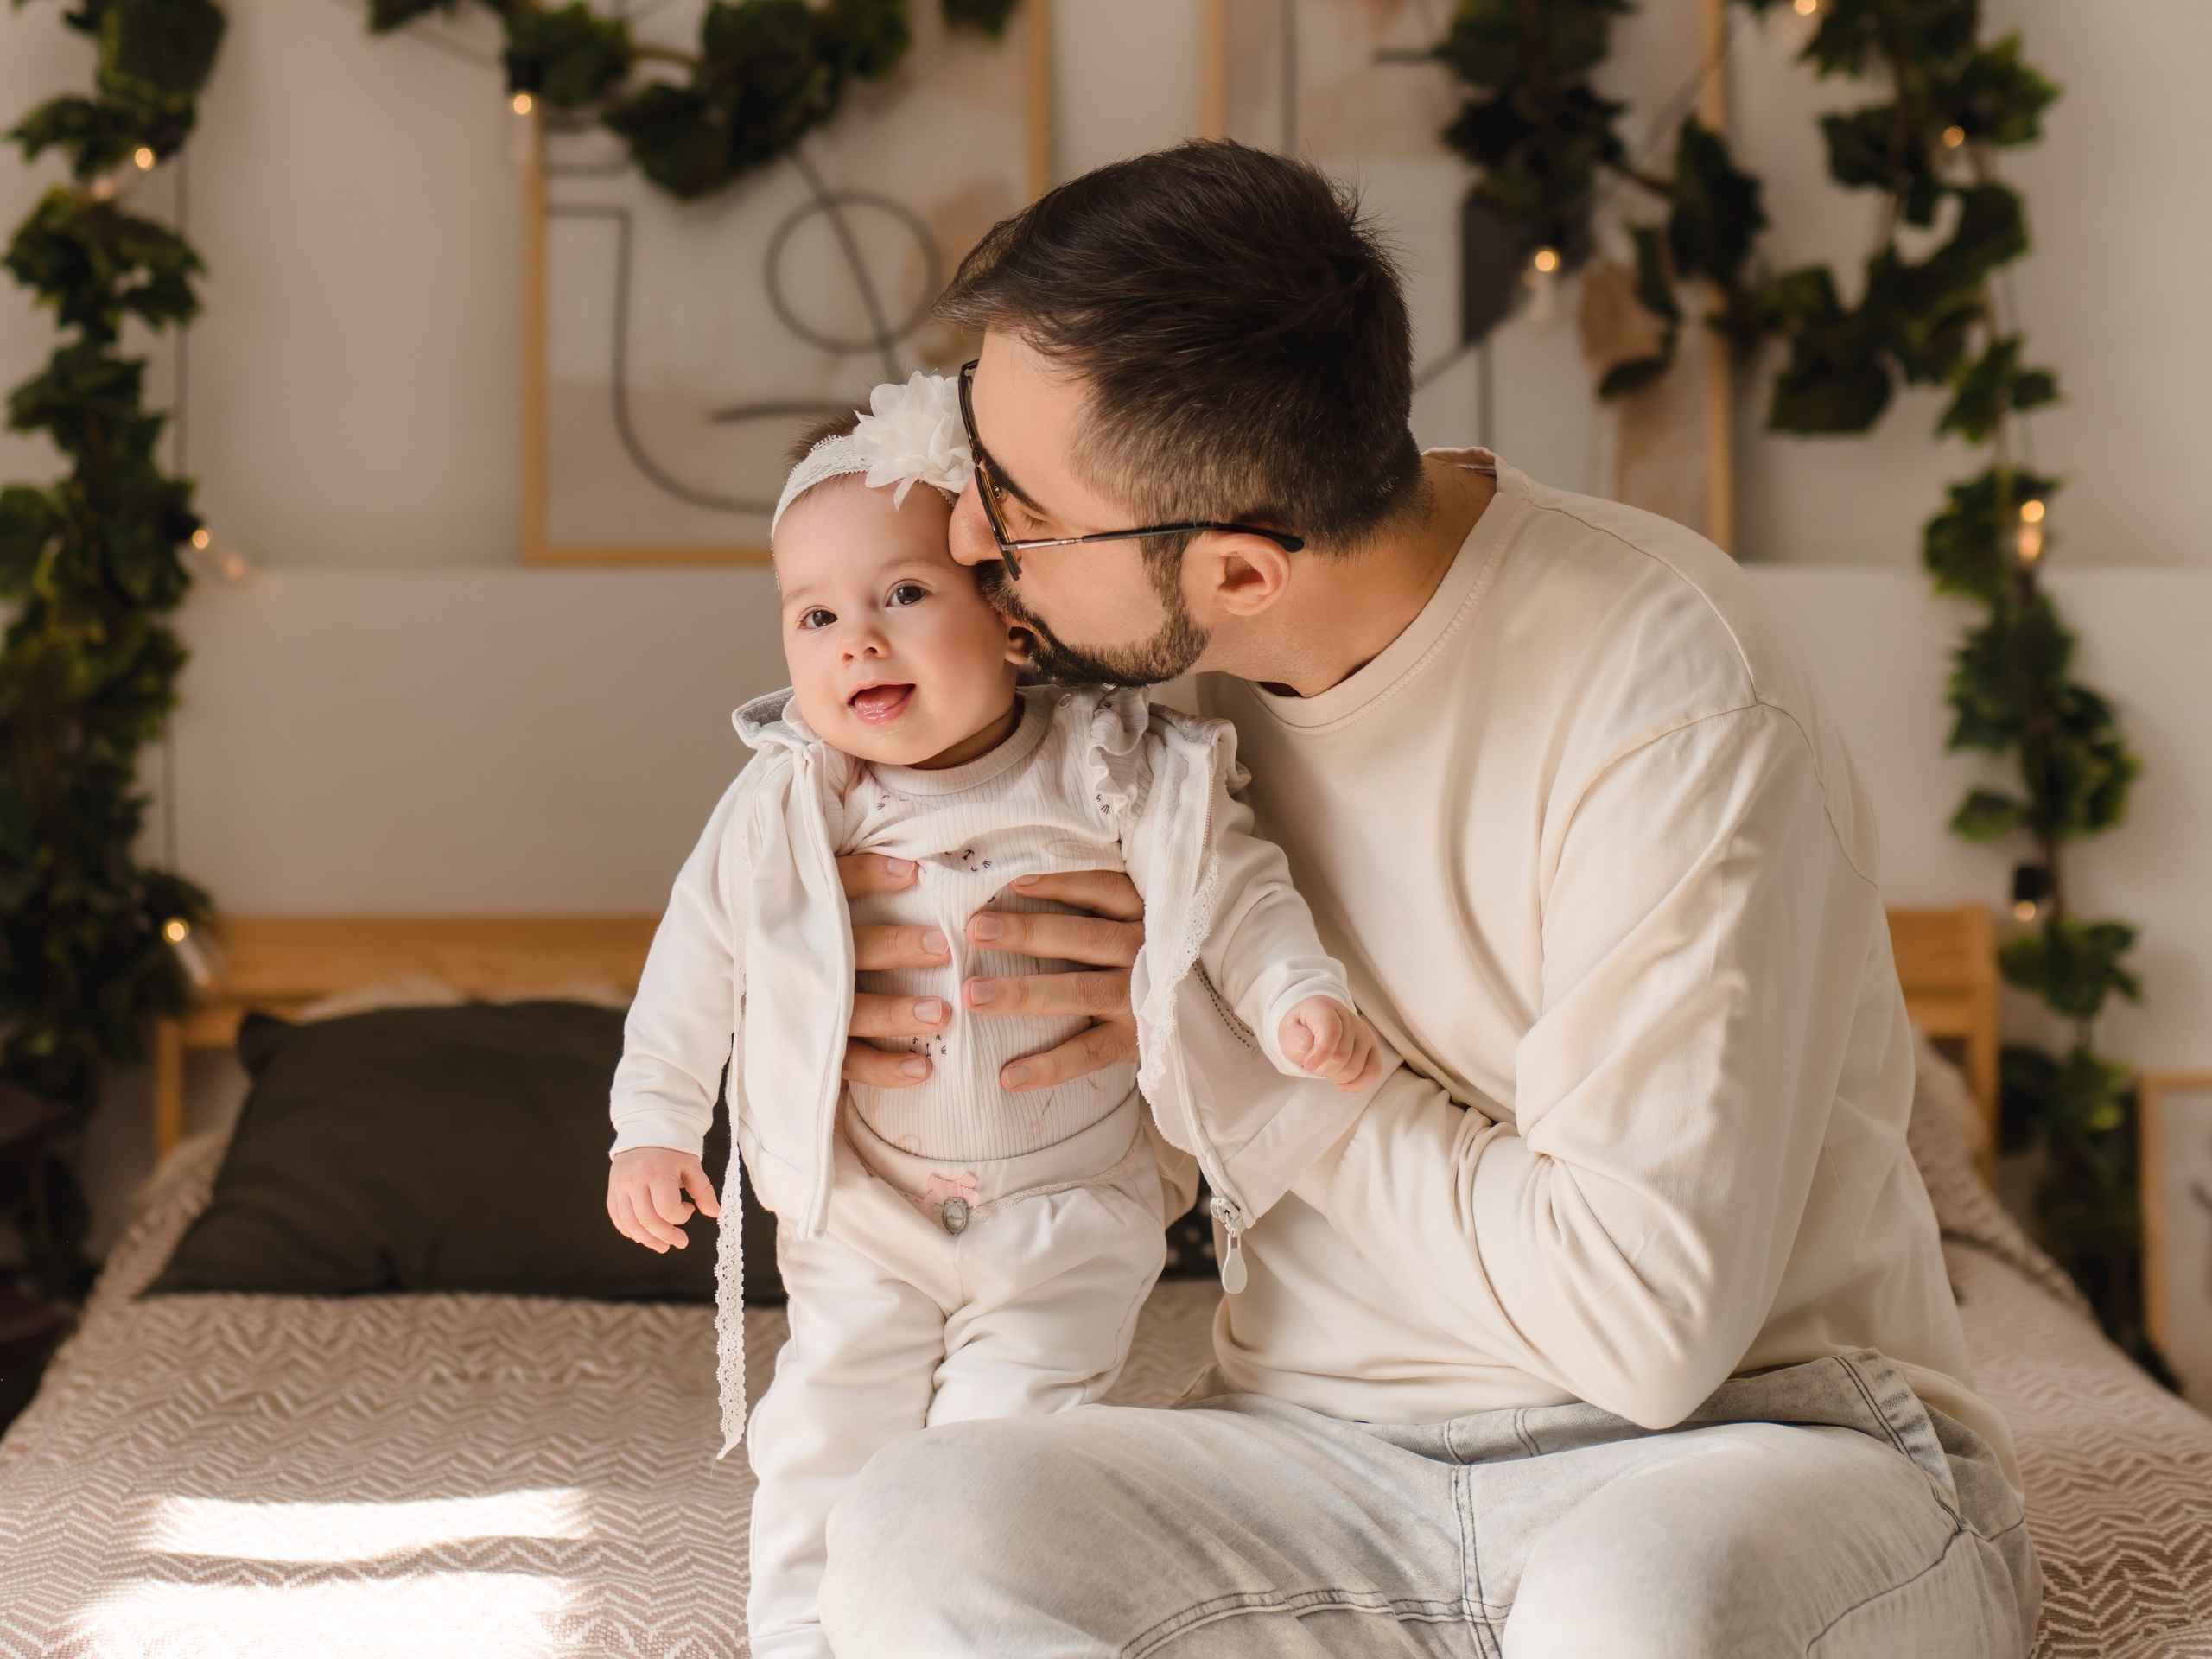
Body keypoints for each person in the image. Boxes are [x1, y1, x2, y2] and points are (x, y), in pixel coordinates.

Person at [814, 142, 2043, 1657]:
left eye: (1017, 509)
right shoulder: (1131, 713)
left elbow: (1645, 1336)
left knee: (1644, 1610)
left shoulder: (1669, 695)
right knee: (915, 1530)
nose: (962, 539)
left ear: (1245, 574)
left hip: (1753, 1452)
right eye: (969, 461)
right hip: (1317, 1455)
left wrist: (1269, 1079)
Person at [602, 374, 1387, 1659]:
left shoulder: (1110, 765)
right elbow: (695, 967)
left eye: (902, 594)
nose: (856, 639)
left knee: (996, 1462)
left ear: (1011, 621)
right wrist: (654, 1125)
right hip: (871, 1210)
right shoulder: (792, 805)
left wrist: (1297, 996)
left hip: (1063, 1216)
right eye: (814, 615)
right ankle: (799, 1640)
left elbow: (1232, 890)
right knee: (822, 1437)